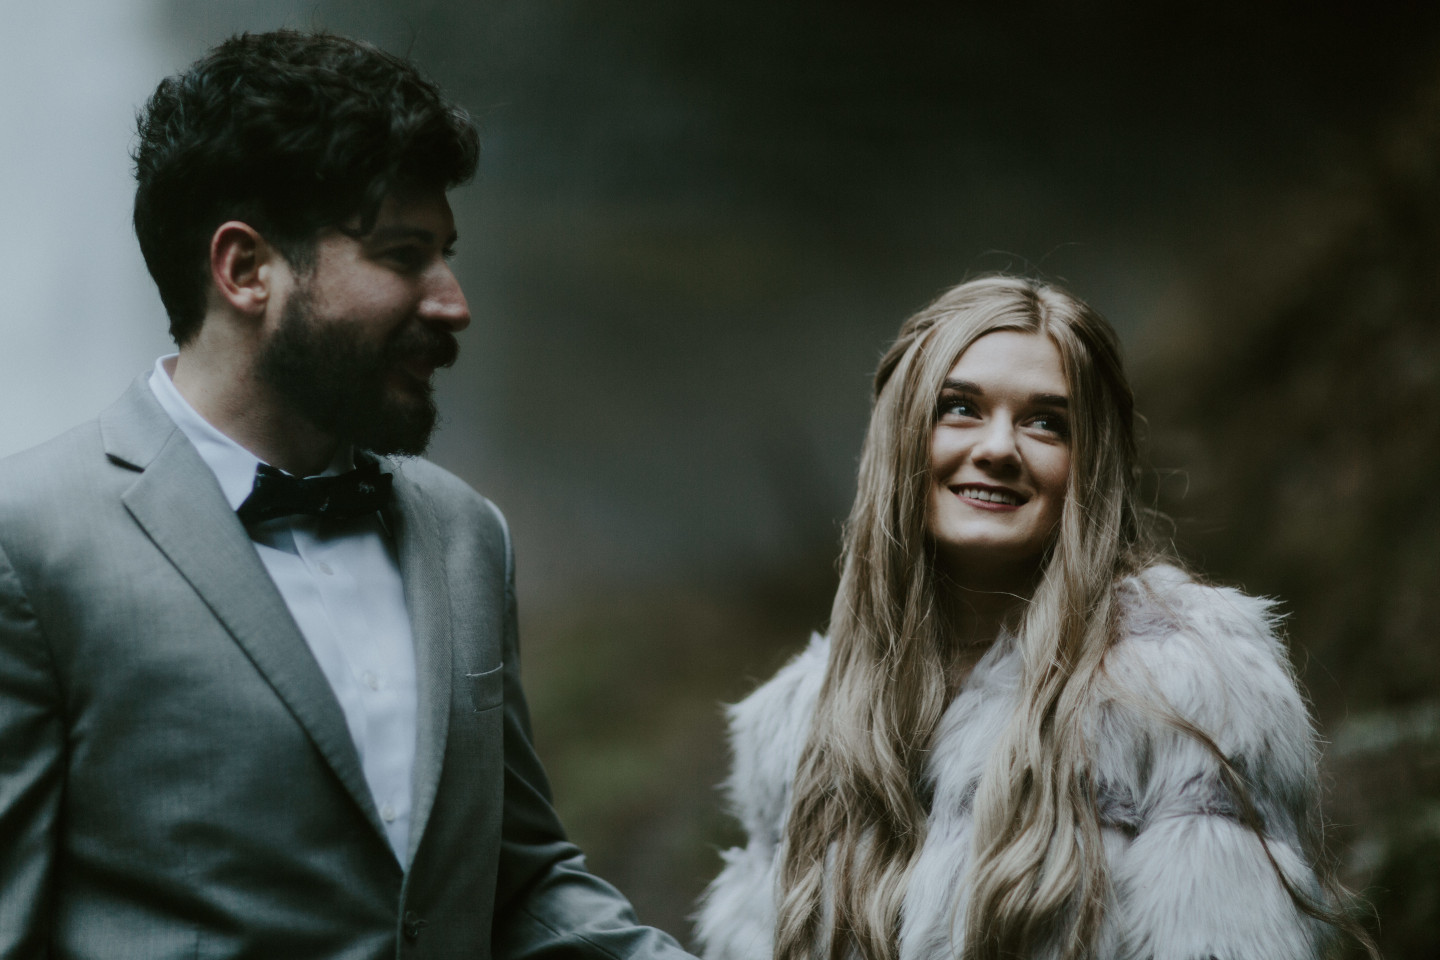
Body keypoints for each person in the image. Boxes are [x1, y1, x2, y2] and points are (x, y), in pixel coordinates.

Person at [0, 31, 695, 960]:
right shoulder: (29, 539)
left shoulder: (466, 534)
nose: (453, 302)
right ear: (246, 270)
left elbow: (519, 882)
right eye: (404, 254)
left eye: (446, 253)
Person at [695, 277, 1374, 960]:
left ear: (1091, 467)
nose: (998, 448)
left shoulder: (1185, 688)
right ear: (900, 440)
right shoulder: (803, 719)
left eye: (1047, 422)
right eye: (959, 408)